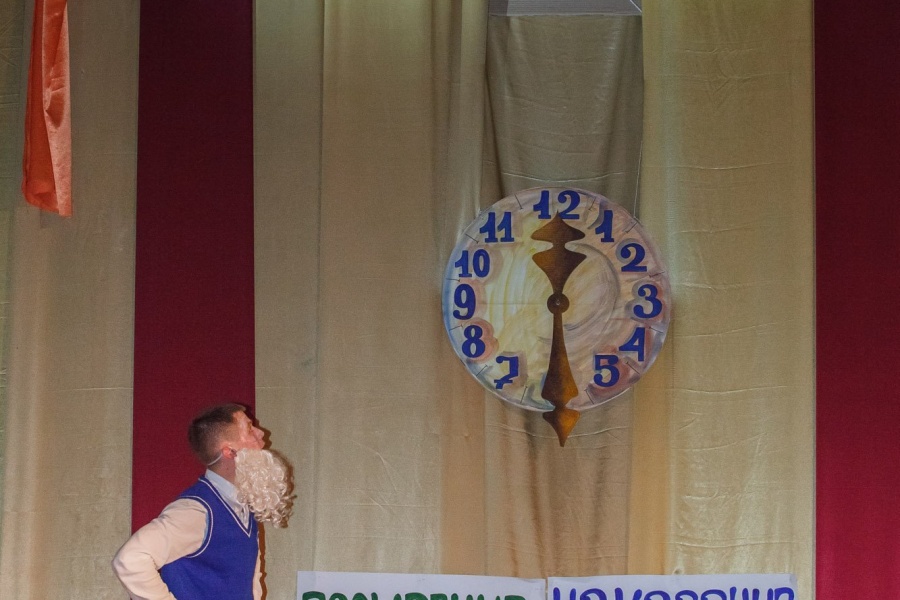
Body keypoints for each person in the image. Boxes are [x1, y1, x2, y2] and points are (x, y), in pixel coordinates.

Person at [112, 403, 292, 600]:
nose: (261, 434)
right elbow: (130, 560)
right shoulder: (196, 510)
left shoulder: (242, 509)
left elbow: (250, 585)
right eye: (249, 429)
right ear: (229, 451)